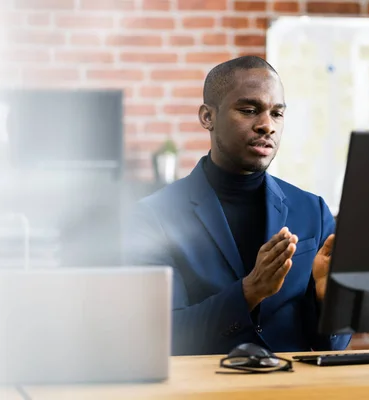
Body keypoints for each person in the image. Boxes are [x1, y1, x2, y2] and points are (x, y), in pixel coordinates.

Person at [124, 56, 352, 355]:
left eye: (277, 114)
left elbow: (331, 345)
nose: (266, 125)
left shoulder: (313, 210)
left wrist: (328, 303)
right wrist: (249, 293)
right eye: (249, 110)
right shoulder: (152, 217)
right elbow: (161, 335)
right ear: (208, 117)